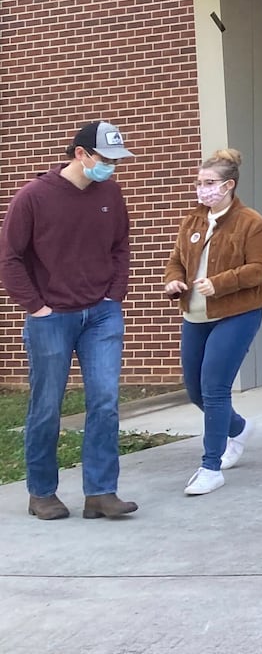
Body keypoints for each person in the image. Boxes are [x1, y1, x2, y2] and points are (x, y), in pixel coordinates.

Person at [0, 120, 138, 521]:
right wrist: (36, 307)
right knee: (46, 405)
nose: (112, 167)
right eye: (106, 159)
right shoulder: (33, 197)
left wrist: (114, 296)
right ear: (81, 154)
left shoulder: (110, 193)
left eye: (115, 160)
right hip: (51, 317)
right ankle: (41, 492)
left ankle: (100, 492)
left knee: (106, 401)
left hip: (102, 314)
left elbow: (120, 247)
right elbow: (10, 258)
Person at [162, 148, 262, 497]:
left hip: (236, 314)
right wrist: (173, 280)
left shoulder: (251, 223)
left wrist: (220, 282)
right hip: (194, 316)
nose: (202, 189)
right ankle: (238, 429)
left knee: (214, 389)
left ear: (229, 185)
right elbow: (177, 260)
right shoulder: (192, 221)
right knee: (195, 390)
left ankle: (211, 466)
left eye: (209, 183)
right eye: (199, 182)